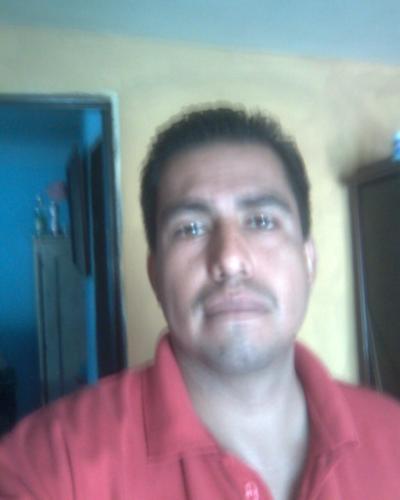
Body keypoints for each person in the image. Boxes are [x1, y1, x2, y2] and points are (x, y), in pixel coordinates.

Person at [0, 106, 399, 500]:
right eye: (190, 228)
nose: (229, 259)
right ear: (156, 274)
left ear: (308, 261)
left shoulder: (392, 435)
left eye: (262, 221)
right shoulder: (49, 463)